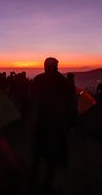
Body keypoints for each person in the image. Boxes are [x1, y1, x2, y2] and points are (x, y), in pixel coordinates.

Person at [29, 57, 78, 193]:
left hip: (41, 122)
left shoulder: (38, 79)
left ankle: (33, 180)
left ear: (45, 66)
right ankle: (47, 185)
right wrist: (73, 122)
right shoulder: (63, 82)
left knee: (37, 152)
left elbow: (32, 100)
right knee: (52, 154)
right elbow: (72, 103)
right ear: (56, 66)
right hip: (57, 124)